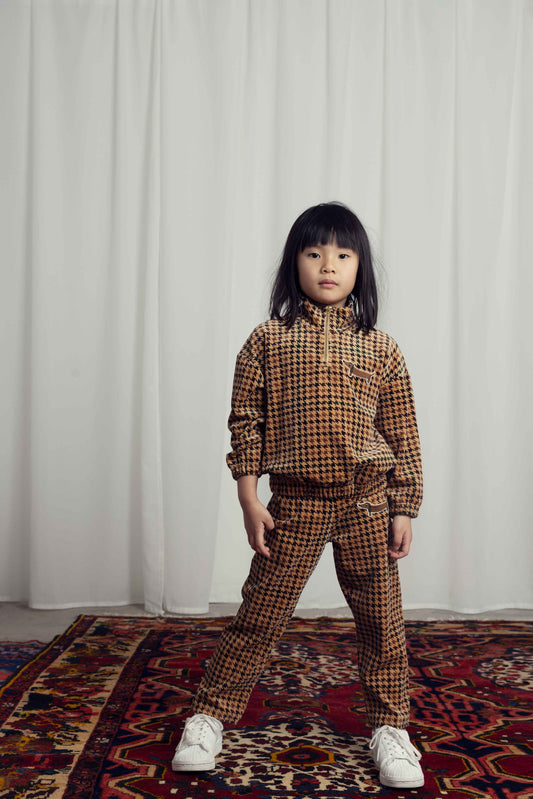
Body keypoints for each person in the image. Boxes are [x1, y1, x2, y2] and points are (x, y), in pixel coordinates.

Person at [172, 202, 424, 789]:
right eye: (313, 253)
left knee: (381, 621)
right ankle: (209, 715)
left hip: (367, 501)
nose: (327, 265)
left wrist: (404, 506)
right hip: (294, 501)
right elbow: (246, 422)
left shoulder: (382, 348)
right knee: (260, 613)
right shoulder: (266, 339)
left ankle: (391, 727)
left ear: (360, 266)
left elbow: (403, 433)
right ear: (294, 263)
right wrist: (248, 498)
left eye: (342, 253)